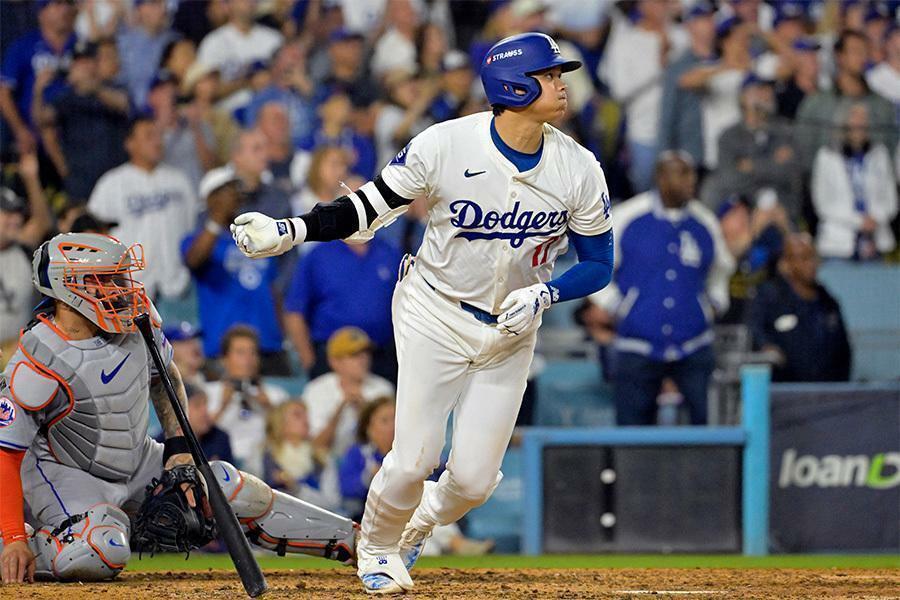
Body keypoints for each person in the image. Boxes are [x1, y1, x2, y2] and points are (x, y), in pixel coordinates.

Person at [230, 32, 615, 594]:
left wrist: (546, 294)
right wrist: (291, 230)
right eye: (550, 74)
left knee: (477, 481)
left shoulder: (577, 166)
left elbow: (600, 262)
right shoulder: (446, 144)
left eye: (560, 74)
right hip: (434, 310)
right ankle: (379, 547)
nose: (561, 84)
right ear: (513, 85)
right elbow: (368, 207)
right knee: (413, 457)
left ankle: (422, 517)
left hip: (512, 326)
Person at [0, 233, 355, 585]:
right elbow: (6, 455)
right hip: (68, 473)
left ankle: (353, 540)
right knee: (101, 549)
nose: (122, 289)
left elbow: (165, 377)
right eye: (106, 280)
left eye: (121, 277)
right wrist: (15, 537)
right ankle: (22, 545)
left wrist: (179, 450)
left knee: (224, 484)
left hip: (137, 459)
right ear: (69, 287)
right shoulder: (36, 360)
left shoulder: (138, 319)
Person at [590, 151, 734, 426]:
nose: (691, 181)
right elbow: (594, 263)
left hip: (694, 344)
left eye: (692, 173)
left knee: (705, 429)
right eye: (682, 173)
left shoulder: (704, 222)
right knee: (632, 433)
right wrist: (616, 305)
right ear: (660, 177)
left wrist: (714, 303)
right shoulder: (628, 216)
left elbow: (721, 269)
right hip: (637, 344)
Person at [182, 166, 287, 373]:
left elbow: (272, 288)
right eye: (225, 190)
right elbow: (194, 259)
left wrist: (281, 333)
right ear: (210, 198)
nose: (234, 196)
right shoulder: (195, 240)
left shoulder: (257, 237)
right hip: (224, 350)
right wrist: (217, 216)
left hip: (268, 344)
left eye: (235, 189)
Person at [88, 115, 197, 301]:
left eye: (158, 135)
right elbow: (93, 239)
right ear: (130, 143)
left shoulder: (179, 180)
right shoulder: (111, 184)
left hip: (179, 289)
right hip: (131, 293)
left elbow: (191, 229)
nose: (157, 141)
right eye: (148, 136)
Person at [283, 214, 401, 380]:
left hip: (382, 356)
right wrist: (310, 363)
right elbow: (294, 311)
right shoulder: (318, 256)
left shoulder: (390, 253)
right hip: (330, 357)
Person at [600, 0, 687, 192]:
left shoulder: (682, 37)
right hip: (644, 132)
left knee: (681, 194)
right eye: (656, 3)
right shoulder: (626, 40)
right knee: (647, 194)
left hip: (681, 132)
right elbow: (619, 91)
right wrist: (658, 66)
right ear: (641, 6)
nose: (662, 7)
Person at [32, 40, 130, 202]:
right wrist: (38, 91)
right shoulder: (65, 98)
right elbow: (41, 120)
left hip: (116, 175)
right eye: (79, 62)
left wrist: (95, 88)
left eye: (88, 61)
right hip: (81, 180)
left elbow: (124, 105)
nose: (84, 67)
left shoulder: (112, 88)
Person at [747, 234, 852, 382]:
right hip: (785, 392)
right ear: (786, 264)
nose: (811, 264)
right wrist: (767, 347)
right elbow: (755, 330)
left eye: (813, 257)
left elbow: (843, 352)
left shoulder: (828, 302)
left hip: (825, 392)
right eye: (803, 258)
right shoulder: (770, 297)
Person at [795, 30, 898, 170]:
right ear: (840, 56)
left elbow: (890, 152)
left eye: (865, 51)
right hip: (827, 185)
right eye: (856, 51)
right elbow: (804, 151)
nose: (862, 57)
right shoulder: (817, 104)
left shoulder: (882, 105)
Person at [703, 75, 800, 220]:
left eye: (769, 90)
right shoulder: (729, 136)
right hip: (742, 209)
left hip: (780, 212)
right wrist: (771, 164)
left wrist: (752, 166)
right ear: (743, 97)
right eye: (760, 90)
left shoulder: (785, 132)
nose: (767, 95)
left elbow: (790, 174)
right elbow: (729, 179)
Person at [811, 102, 898, 261]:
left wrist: (875, 218)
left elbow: (891, 201)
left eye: (864, 121)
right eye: (855, 121)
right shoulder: (826, 156)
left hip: (877, 241)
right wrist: (858, 221)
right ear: (843, 124)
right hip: (838, 243)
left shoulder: (880, 154)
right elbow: (823, 204)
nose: (860, 126)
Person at [202, 325, 287, 477]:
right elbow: (197, 435)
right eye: (240, 353)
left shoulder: (275, 395)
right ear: (224, 359)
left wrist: (270, 409)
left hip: (266, 470)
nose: (248, 359)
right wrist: (222, 406)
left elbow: (291, 437)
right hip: (220, 467)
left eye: (253, 353)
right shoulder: (207, 394)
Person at [302, 327, 396, 460]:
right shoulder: (317, 390)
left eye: (365, 353)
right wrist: (340, 409)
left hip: (374, 462)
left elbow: (391, 442)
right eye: (354, 355)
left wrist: (365, 411)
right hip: (328, 463)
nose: (363, 359)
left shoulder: (383, 388)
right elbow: (316, 445)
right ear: (334, 361)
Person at [0, 154, 52, 368]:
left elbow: (43, 223)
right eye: (8, 213)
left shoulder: (21, 248)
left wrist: (31, 178)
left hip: (18, 356)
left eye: (18, 213)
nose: (16, 219)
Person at [658, 1, 716, 168]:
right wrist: (664, 160)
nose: (710, 23)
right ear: (690, 25)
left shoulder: (724, 57)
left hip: (723, 155)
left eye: (711, 17)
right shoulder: (678, 67)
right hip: (691, 154)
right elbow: (667, 117)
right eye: (703, 19)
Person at [263, 399, 340, 512]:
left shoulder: (322, 459)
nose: (306, 420)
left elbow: (332, 503)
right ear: (280, 422)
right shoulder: (263, 456)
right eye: (297, 415)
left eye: (306, 415)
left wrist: (296, 488)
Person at [116, 0, 179, 108]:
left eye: (164, 4)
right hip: (129, 113)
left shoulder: (176, 42)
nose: (163, 10)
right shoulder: (123, 44)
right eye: (155, 4)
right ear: (140, 9)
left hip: (170, 111)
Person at [184, 382, 234, 464]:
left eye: (206, 404)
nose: (205, 411)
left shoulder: (220, 438)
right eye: (197, 405)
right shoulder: (163, 445)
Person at [164, 321, 206, 387]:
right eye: (186, 342)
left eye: (194, 340)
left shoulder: (213, 377)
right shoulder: (162, 385)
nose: (194, 346)